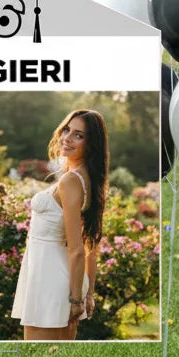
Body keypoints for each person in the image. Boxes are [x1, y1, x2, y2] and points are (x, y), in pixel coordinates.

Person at [11, 109, 108, 341]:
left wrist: (77, 300)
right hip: (50, 277)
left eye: (78, 135)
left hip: (51, 280)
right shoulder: (84, 178)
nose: (67, 138)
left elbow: (78, 249)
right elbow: (90, 244)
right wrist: (88, 292)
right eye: (67, 130)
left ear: (91, 144)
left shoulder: (71, 181)